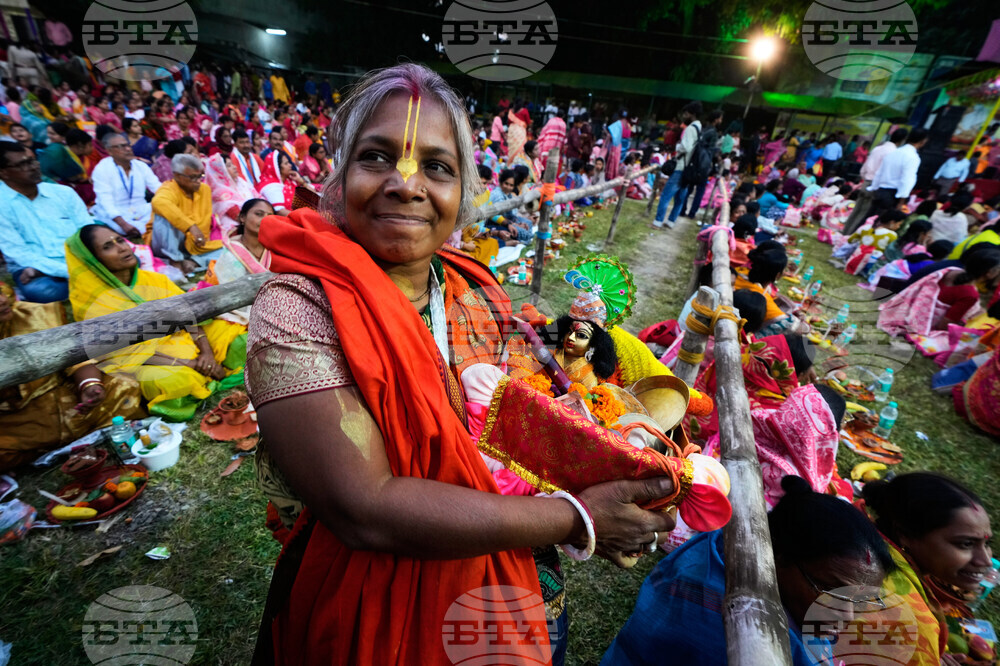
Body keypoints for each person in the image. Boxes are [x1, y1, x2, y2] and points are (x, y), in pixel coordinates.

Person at [246, 63, 677, 665]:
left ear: (463, 194)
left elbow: (516, 423)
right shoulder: (297, 308)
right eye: (376, 158)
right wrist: (577, 517)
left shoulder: (475, 290)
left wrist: (617, 467)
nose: (407, 184)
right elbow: (364, 510)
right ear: (338, 174)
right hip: (370, 601)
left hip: (515, 573)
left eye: (438, 167)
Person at [603, 475, 894, 666]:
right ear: (778, 555)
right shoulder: (718, 618)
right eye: (832, 592)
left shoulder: (723, 547)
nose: (848, 616)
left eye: (861, 600)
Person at [66, 225, 245, 420]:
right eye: (108, 246)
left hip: (183, 339)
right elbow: (124, 353)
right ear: (93, 261)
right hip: (145, 359)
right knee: (174, 381)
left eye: (119, 240)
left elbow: (188, 315)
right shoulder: (92, 302)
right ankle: (200, 379)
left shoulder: (154, 280)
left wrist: (207, 353)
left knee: (240, 339)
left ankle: (210, 371)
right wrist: (192, 363)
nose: (123, 248)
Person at [0, 282, 146, 471]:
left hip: (71, 399)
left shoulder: (37, 314)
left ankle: (57, 448)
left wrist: (89, 385)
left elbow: (75, 353)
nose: (3, 300)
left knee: (124, 385)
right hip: (18, 421)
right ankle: (45, 452)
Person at [863, 473, 992, 663]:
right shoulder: (912, 624)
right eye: (966, 544)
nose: (986, 560)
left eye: (986, 543)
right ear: (905, 534)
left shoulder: (864, 538)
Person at [0, 143, 91, 302]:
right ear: (4, 173)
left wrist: (87, 262)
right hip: (34, 267)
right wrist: (72, 272)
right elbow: (21, 254)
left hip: (77, 259)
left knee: (129, 259)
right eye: (23, 164)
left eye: (33, 161)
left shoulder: (63, 193)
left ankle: (84, 282)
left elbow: (87, 230)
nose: (33, 167)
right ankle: (92, 281)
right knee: (45, 292)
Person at [878, 247, 1000, 355]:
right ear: (990, 273)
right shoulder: (970, 294)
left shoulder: (951, 270)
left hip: (907, 312)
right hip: (924, 326)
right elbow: (944, 325)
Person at [150, 153, 224, 273]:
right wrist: (190, 226)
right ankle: (176, 262)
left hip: (196, 243)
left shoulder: (204, 190)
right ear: (177, 176)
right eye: (193, 177)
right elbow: (158, 202)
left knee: (230, 249)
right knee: (164, 216)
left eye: (200, 176)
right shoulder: (168, 189)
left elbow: (204, 222)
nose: (198, 181)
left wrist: (195, 234)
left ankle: (193, 262)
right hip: (168, 243)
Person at [205, 198, 274, 325]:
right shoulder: (231, 251)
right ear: (242, 217)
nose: (265, 219)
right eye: (259, 214)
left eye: (270, 216)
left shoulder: (275, 248)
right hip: (238, 311)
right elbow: (228, 295)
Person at [92, 132, 162, 240]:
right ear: (109, 151)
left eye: (128, 145)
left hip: (141, 210)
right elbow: (106, 202)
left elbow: (158, 188)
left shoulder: (140, 166)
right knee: (127, 227)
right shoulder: (102, 169)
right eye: (121, 147)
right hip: (116, 213)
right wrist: (123, 224)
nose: (128, 149)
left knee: (164, 216)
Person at [845, 129, 907, 235]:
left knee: (857, 210)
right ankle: (849, 236)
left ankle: (845, 232)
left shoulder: (877, 149)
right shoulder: (893, 153)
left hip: (866, 181)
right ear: (902, 140)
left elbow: (865, 166)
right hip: (875, 184)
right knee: (864, 213)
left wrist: (864, 177)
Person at [653, 101, 701, 229]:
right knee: (680, 198)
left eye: (686, 113)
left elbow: (685, 147)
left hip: (680, 166)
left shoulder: (691, 128)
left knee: (666, 195)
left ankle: (658, 221)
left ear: (692, 114)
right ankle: (671, 221)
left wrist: (679, 146)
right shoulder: (699, 128)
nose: (684, 116)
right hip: (688, 168)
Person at [869, 128, 928, 218]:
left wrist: (875, 188)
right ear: (923, 141)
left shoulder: (895, 152)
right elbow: (908, 179)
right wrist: (902, 201)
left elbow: (879, 173)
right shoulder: (912, 157)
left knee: (869, 221)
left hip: (880, 191)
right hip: (892, 195)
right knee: (880, 224)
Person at [204, 152, 262, 231]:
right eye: (229, 166)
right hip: (236, 229)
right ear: (220, 171)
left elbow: (259, 198)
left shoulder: (241, 182)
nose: (234, 167)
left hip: (254, 221)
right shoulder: (219, 192)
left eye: (232, 164)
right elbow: (238, 217)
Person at [843, 209, 907, 275]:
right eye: (899, 224)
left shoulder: (865, 228)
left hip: (856, 259)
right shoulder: (892, 235)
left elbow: (850, 240)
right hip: (872, 264)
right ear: (892, 222)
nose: (898, 227)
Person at [257, 150, 304, 215]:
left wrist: (302, 182)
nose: (290, 165)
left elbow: (311, 195)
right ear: (276, 167)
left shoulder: (289, 180)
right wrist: (303, 218)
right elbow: (280, 211)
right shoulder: (271, 186)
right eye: (286, 163)